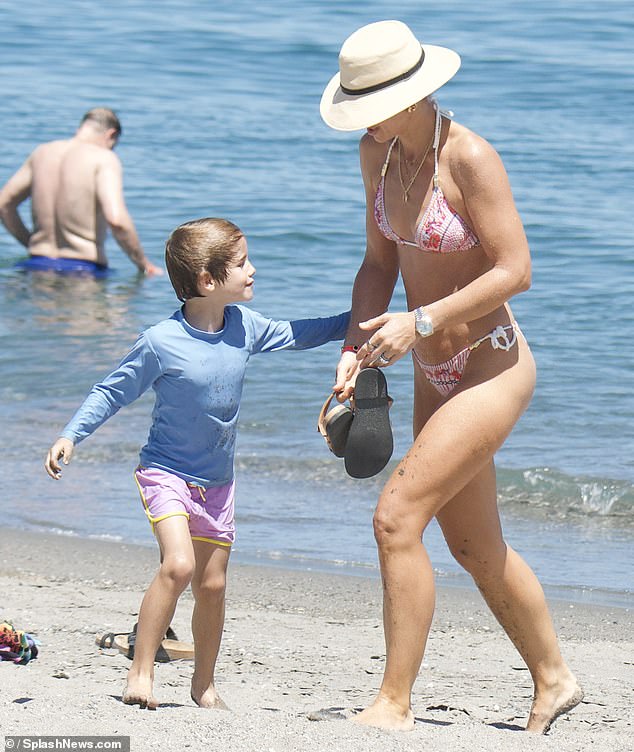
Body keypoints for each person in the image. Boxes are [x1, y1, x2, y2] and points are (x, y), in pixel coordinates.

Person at [320, 20, 582, 734]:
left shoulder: (469, 157)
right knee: (472, 546)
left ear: (410, 93)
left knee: (396, 519)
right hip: (432, 373)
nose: (363, 118)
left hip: (492, 365)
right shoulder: (376, 156)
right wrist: (353, 350)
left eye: (369, 102)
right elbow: (378, 266)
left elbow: (515, 269)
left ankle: (393, 703)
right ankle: (554, 678)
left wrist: (422, 321)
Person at [44, 216, 349, 709]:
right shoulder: (160, 342)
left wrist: (362, 318)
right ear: (208, 281)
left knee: (212, 584)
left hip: (217, 482)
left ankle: (203, 685)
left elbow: (303, 332)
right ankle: (140, 673)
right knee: (180, 565)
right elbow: (111, 391)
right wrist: (70, 434)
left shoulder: (245, 327)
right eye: (242, 263)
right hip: (165, 473)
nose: (253, 270)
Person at [0, 107, 161, 276]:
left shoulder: (42, 152)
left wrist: (31, 243)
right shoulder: (104, 158)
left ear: (81, 128)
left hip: (35, 265)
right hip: (83, 271)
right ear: (111, 135)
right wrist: (144, 264)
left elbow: (4, 205)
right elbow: (117, 221)